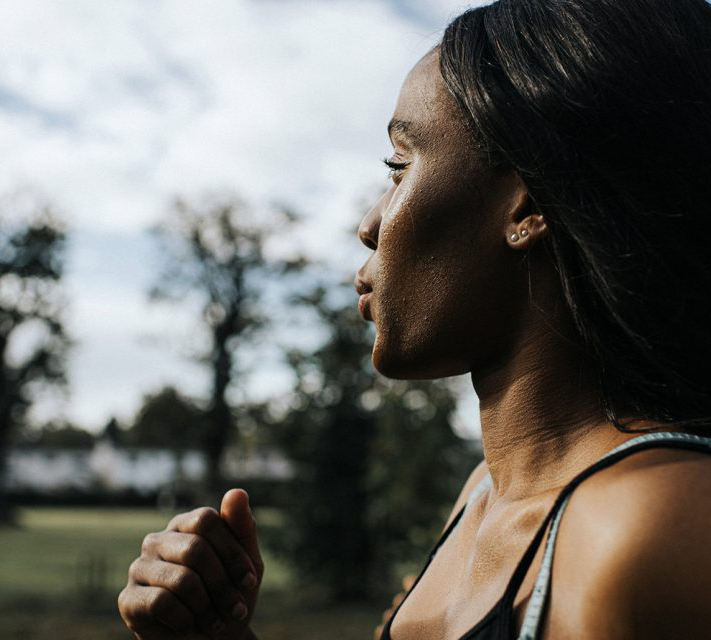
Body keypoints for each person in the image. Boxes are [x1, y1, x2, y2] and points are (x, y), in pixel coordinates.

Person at [118, 0, 711, 638]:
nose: (369, 224)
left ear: (528, 203)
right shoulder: (483, 493)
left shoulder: (651, 526)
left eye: (399, 167)